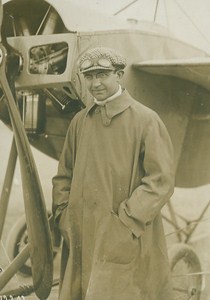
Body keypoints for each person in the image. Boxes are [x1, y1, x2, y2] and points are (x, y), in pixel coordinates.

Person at [52, 47, 175, 300]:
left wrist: (126, 221)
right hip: (80, 232)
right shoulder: (79, 121)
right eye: (89, 76)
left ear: (119, 75)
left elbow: (160, 181)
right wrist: (64, 214)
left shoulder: (146, 120)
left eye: (102, 75)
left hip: (125, 234)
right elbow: (64, 175)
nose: (95, 83)